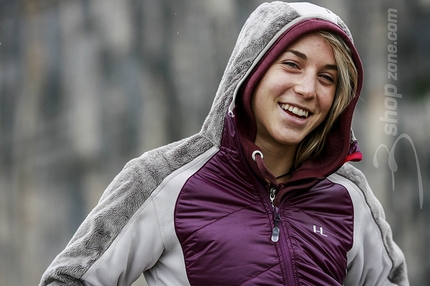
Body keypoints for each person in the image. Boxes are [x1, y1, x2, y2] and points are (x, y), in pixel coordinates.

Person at [40, 2, 409, 285]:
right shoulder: (161, 179)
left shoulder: (350, 195)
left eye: (327, 78)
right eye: (292, 65)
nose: (307, 89)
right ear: (253, 70)